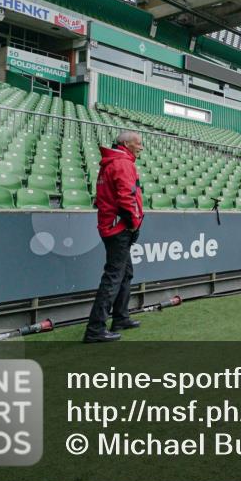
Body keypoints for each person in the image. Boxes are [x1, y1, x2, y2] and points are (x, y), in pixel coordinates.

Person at [84, 131, 145, 343]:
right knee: (113, 277)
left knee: (125, 273)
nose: (141, 147)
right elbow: (126, 199)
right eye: (138, 143)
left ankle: (120, 318)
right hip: (119, 228)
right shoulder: (122, 164)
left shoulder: (113, 162)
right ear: (127, 143)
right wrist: (134, 224)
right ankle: (95, 329)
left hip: (113, 226)